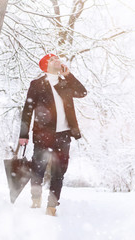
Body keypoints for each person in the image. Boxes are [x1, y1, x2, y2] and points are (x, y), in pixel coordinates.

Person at [19, 53, 87, 216]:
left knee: (59, 171)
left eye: (58, 58)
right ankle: (36, 198)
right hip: (43, 134)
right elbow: (28, 110)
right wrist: (24, 134)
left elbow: (82, 92)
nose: (57, 60)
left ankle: (52, 206)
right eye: (52, 59)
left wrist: (68, 75)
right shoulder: (36, 84)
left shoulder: (65, 83)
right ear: (45, 65)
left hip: (63, 135)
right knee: (38, 168)